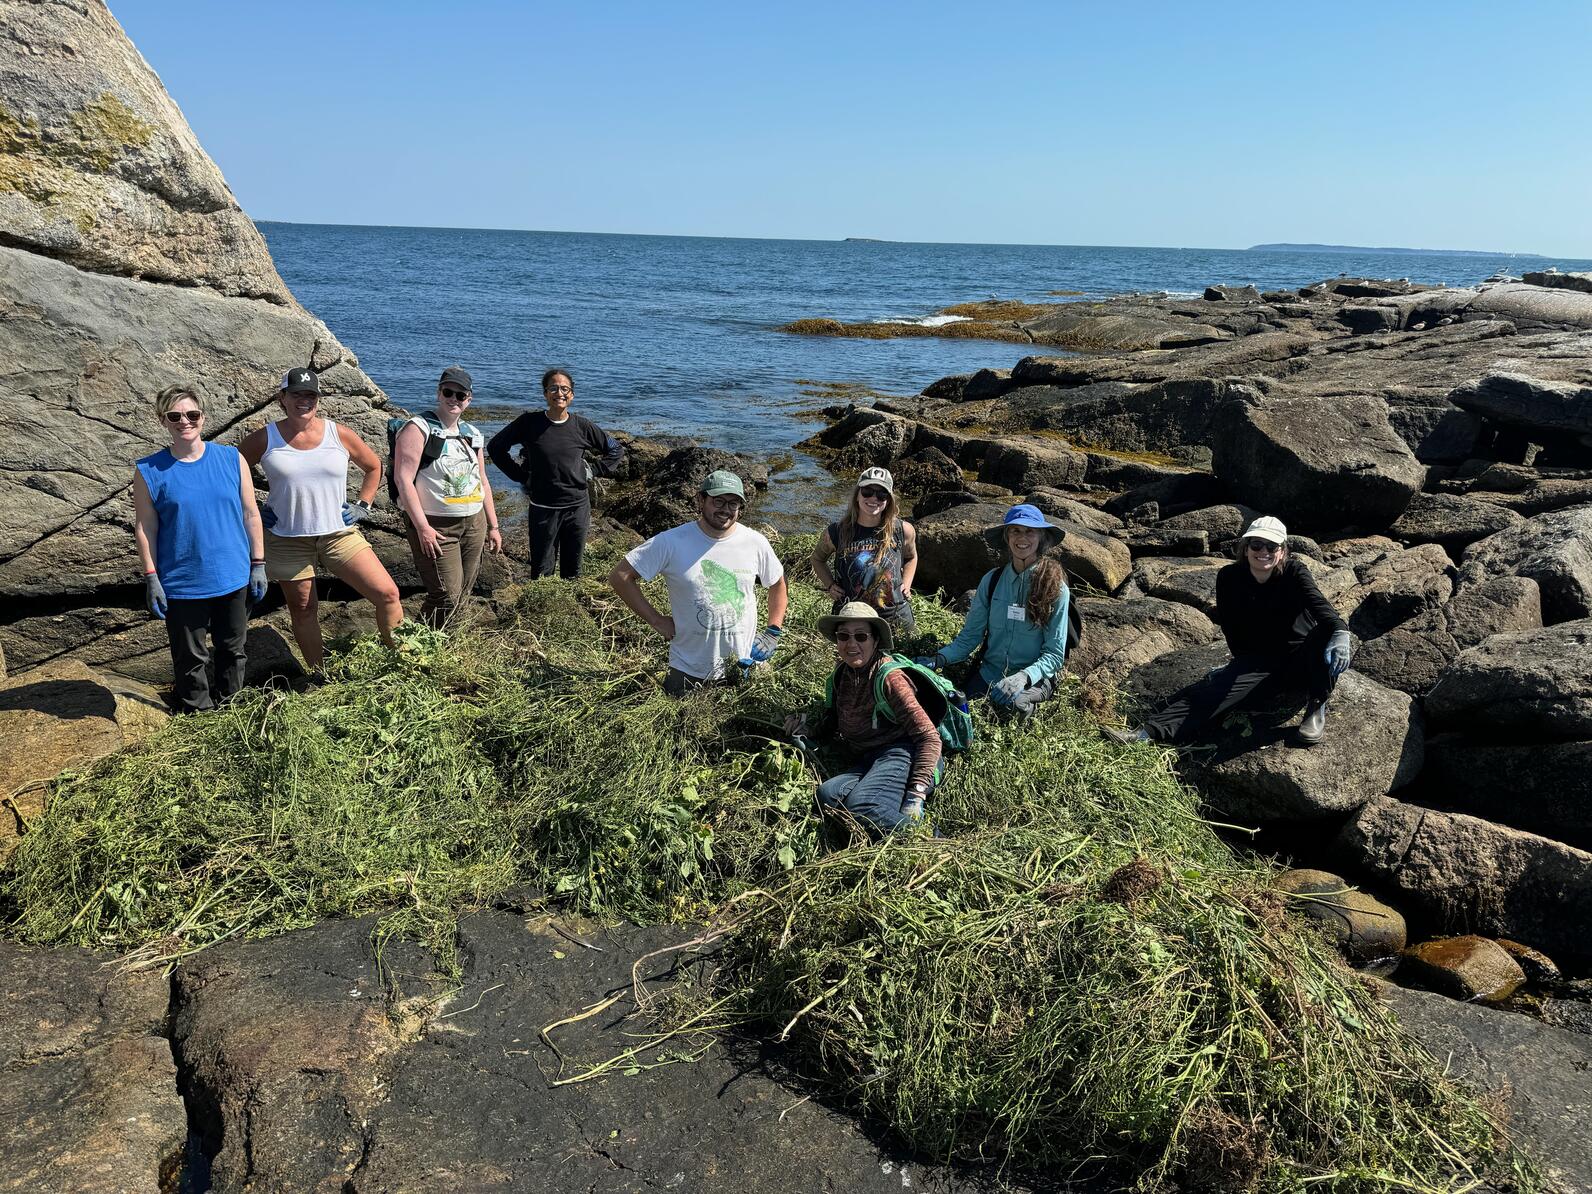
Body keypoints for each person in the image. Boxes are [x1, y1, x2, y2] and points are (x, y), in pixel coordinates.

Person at [1105, 516, 1352, 747]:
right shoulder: (1230, 577)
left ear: (1282, 551)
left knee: (1327, 634)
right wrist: (1237, 667)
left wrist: (1341, 634)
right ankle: (1146, 734)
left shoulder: (1295, 573)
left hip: (1302, 659)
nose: (1263, 552)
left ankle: (1317, 705)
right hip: (1261, 662)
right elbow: (1231, 627)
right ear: (1245, 548)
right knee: (1213, 693)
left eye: (1271, 546)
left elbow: (1323, 609)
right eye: (1257, 545)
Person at [240, 367, 403, 670]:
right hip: (287, 540)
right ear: (282, 397)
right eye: (297, 394)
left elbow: (373, 466)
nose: (304, 400)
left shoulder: (337, 434)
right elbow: (232, 472)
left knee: (388, 593)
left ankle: (403, 663)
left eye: (310, 395)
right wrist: (249, 506)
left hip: (338, 535)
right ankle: (319, 675)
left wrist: (363, 505)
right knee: (303, 610)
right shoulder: (266, 437)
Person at [132, 384, 268, 713]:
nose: (185, 422)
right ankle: (198, 716)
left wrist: (259, 563)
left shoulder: (231, 459)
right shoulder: (148, 471)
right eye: (175, 416)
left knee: (232, 650)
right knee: (190, 658)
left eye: (192, 414)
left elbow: (251, 513)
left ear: (203, 417)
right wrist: (151, 576)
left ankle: (231, 710)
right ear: (162, 420)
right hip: (182, 583)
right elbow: (145, 526)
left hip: (233, 576)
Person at [608, 470, 787, 696]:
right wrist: (656, 620)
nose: (725, 510)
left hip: (744, 663)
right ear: (701, 500)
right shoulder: (671, 542)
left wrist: (772, 631)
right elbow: (621, 577)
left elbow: (777, 583)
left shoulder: (755, 542)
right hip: (689, 668)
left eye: (733, 503)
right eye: (718, 501)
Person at [786, 602, 940, 835]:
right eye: (843, 636)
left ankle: (930, 841)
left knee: (861, 806)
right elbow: (833, 722)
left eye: (861, 636)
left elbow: (929, 738)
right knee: (826, 796)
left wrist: (916, 794)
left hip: (901, 754)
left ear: (875, 640)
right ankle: (884, 821)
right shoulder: (841, 675)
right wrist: (807, 731)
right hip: (868, 759)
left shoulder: (890, 679)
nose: (851, 644)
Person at [916, 504, 1071, 716]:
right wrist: (937, 659)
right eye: (1015, 530)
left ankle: (1034, 708)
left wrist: (1022, 677)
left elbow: (1054, 655)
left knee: (1013, 706)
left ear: (1041, 537)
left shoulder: (1056, 588)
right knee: (954, 711)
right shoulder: (992, 581)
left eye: (1030, 531)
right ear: (1007, 536)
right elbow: (969, 638)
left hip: (1032, 678)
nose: (1022, 538)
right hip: (989, 674)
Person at [486, 368, 623, 580]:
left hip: (577, 508)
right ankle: (542, 609)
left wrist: (593, 470)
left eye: (565, 389)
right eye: (553, 388)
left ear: (572, 395)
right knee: (542, 573)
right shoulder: (529, 423)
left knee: (573, 572)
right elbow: (495, 447)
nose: (559, 393)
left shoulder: (582, 426)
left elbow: (615, 450)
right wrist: (521, 477)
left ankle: (569, 610)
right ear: (545, 394)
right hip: (543, 509)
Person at [392, 366, 502, 627]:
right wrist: (422, 528)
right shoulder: (418, 427)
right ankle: (416, 648)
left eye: (460, 395)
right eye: (448, 392)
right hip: (436, 525)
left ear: (468, 399)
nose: (454, 399)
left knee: (463, 593)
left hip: (474, 523)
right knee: (445, 595)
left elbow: (482, 481)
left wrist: (494, 526)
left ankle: (448, 645)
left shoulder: (472, 434)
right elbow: (402, 479)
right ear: (439, 393)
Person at [810, 466, 918, 633]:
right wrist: (830, 585)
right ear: (857, 495)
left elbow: (911, 557)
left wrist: (907, 583)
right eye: (867, 491)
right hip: (851, 618)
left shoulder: (902, 530)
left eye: (881, 494)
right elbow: (817, 559)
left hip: (895, 617)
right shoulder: (836, 532)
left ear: (889, 499)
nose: (874, 498)